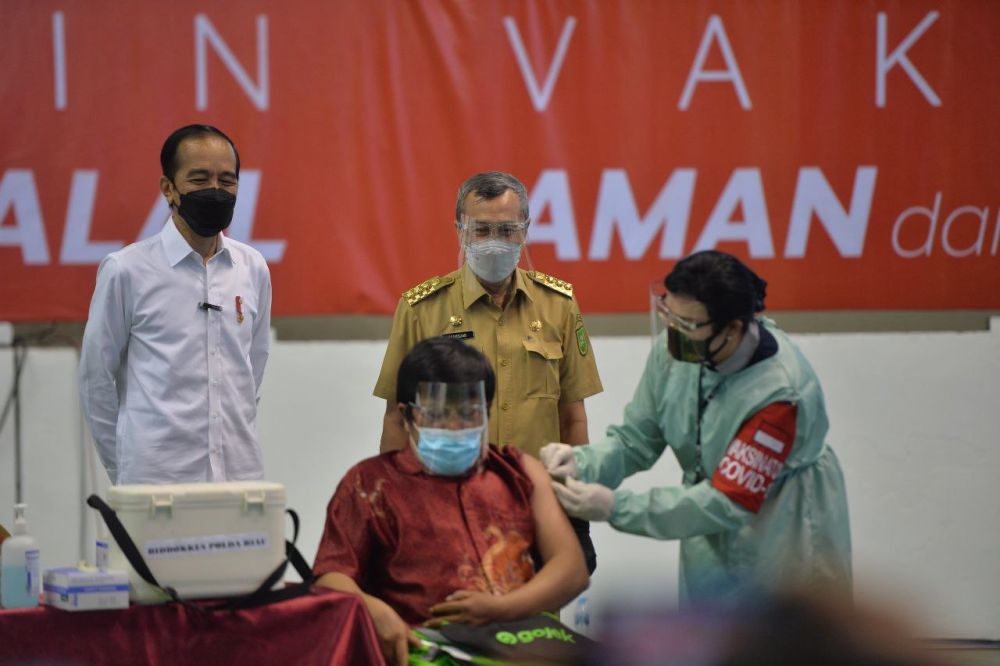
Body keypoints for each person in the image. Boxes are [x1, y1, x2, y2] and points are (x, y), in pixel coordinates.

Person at [541, 250, 852, 603]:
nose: (673, 332)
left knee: (778, 631)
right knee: (707, 629)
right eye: (669, 315)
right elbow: (636, 441)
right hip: (705, 526)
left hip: (782, 537)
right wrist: (581, 463)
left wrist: (616, 506)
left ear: (733, 329)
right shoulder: (679, 350)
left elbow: (726, 501)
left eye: (687, 325)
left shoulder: (782, 393)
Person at [373, 171, 603, 570]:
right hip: (447, 503)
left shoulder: (559, 305)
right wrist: (394, 501)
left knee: (544, 608)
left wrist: (575, 508)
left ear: (525, 230)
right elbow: (397, 417)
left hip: (539, 505)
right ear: (460, 230)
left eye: (506, 229)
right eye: (481, 229)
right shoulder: (421, 309)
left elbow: (572, 415)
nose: (494, 240)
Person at [315, 337, 588, 666]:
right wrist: (373, 611)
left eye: (469, 414)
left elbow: (572, 569)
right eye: (439, 414)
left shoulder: (518, 471)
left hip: (522, 642)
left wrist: (500, 608)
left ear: (487, 412)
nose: (455, 426)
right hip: (425, 647)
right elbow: (331, 577)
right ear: (407, 415)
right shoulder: (370, 484)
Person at [78, 124, 272, 485]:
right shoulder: (126, 270)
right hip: (155, 483)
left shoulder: (253, 267)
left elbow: (253, 369)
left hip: (240, 479)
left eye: (227, 180)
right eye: (199, 179)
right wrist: (126, 470)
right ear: (168, 188)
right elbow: (96, 379)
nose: (215, 190)